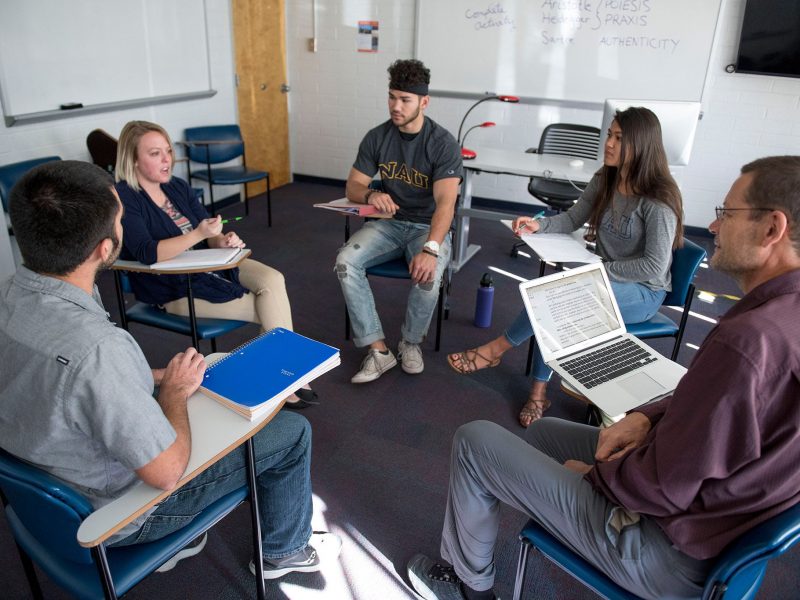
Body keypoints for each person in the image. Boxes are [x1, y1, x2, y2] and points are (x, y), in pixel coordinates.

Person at [407, 156, 800, 600]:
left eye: (726, 213)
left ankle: (466, 588)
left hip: (665, 547)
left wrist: (599, 478)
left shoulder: (748, 342)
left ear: (772, 229)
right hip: (713, 528)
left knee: (474, 439)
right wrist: (646, 417)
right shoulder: (781, 318)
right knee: (545, 436)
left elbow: (666, 485)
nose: (712, 226)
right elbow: (715, 421)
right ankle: (496, 539)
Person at [0, 160, 340, 579]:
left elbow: (68, 382)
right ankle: (283, 552)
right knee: (290, 434)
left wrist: (153, 377)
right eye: (120, 220)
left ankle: (181, 542)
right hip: (111, 517)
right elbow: (165, 472)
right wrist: (173, 393)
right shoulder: (99, 347)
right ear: (105, 249)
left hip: (37, 496)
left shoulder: (9, 298)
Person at [448, 107, 683, 427]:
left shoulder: (657, 200)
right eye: (609, 135)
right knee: (563, 298)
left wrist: (599, 272)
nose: (608, 144)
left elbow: (654, 267)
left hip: (643, 292)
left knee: (565, 300)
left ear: (640, 145)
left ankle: (501, 354)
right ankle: (537, 390)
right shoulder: (606, 177)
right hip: (601, 277)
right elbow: (573, 218)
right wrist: (538, 226)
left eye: (618, 138)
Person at [115, 120, 316, 408]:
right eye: (155, 153)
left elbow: (209, 232)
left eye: (168, 151)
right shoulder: (125, 197)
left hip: (210, 262)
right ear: (133, 160)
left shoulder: (177, 187)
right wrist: (199, 234)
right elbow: (147, 252)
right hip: (172, 287)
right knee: (268, 308)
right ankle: (289, 381)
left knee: (274, 280)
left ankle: (281, 379)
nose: (167, 159)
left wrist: (222, 239)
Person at [335, 58, 462, 383]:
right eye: (392, 97)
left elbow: (446, 204)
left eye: (405, 100)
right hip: (389, 224)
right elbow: (353, 185)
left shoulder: (442, 143)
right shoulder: (378, 137)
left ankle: (410, 341)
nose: (396, 106)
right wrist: (369, 195)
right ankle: (378, 351)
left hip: (426, 226)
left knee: (428, 275)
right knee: (346, 262)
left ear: (424, 101)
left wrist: (432, 249)